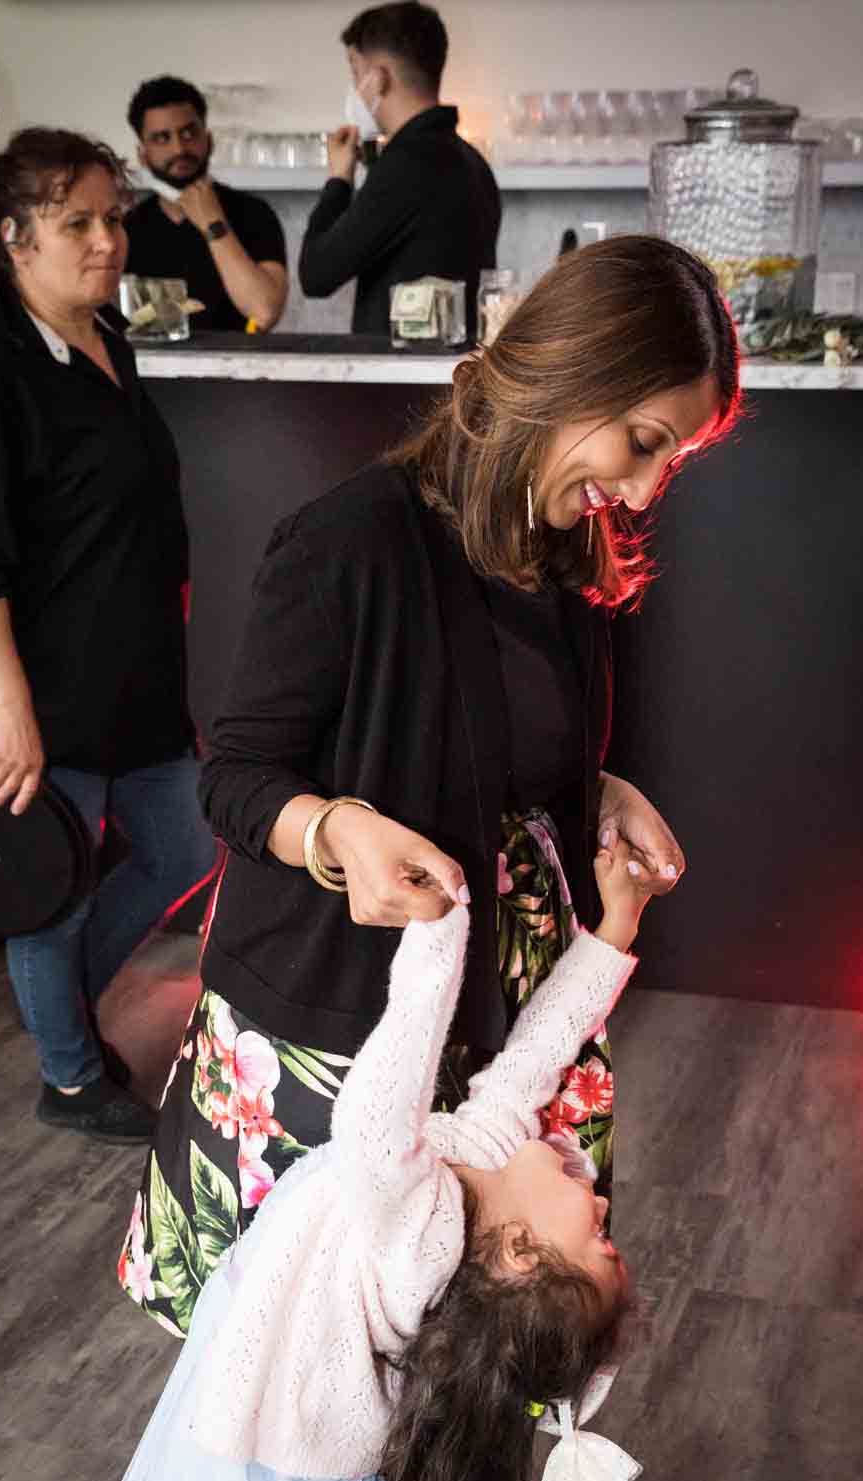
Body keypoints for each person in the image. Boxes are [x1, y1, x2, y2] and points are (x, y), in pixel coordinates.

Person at [124, 233, 740, 1325]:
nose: (643, 488)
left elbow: (490, 743)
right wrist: (335, 830)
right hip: (335, 1035)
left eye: (669, 462)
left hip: (504, 1028)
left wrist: (593, 788)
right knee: (304, 1372)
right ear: (564, 378)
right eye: (641, 443)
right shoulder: (349, 542)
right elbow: (234, 777)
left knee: (458, 1384)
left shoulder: (561, 554)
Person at [25, 844, 652, 1481]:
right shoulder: (476, 1165)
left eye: (594, 1239)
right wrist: (618, 927)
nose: (598, 1202)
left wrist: (442, 916)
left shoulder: (415, 1221)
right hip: (323, 1425)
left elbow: (379, 1098)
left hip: (297, 1445)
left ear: (513, 1255)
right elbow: (534, 1054)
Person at [0, 128, 218, 1145]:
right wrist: (9, 714)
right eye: (75, 222)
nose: (105, 241)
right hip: (45, 693)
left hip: (132, 676)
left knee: (183, 841)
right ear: (13, 236)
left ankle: (62, 1004)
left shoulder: (104, 340)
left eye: (112, 218)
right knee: (54, 892)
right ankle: (70, 1074)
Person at [299, 3, 500, 336]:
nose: (353, 87)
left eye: (355, 71)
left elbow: (316, 275)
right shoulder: (469, 159)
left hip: (402, 378)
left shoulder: (407, 163)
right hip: (447, 372)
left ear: (378, 79)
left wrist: (338, 179)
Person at [124, 76, 288, 333]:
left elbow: (264, 312)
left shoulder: (254, 214)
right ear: (142, 154)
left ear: (208, 140)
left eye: (189, 133)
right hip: (151, 371)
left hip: (240, 368)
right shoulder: (127, 227)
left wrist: (214, 224)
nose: (179, 148)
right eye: (162, 138)